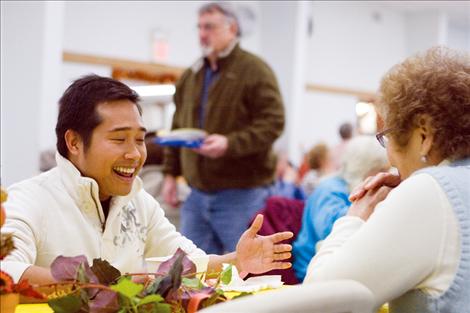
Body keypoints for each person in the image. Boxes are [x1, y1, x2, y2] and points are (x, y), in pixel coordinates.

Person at [1, 75, 293, 286]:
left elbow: (186, 263)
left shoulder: (139, 202)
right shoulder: (27, 200)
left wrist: (237, 260)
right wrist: (98, 287)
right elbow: (6, 270)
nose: (134, 154)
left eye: (140, 140)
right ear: (74, 142)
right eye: (119, 139)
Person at [304, 47, 470, 312]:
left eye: (387, 137)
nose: (389, 158)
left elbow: (319, 301)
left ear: (423, 135)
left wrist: (354, 218)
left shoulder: (430, 191)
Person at [162, 2, 285, 254]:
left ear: (232, 28)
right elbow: (177, 129)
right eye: (199, 27)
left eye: (210, 27)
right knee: (193, 272)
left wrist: (230, 144)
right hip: (196, 195)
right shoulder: (191, 75)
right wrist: (169, 175)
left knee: (244, 272)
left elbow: (273, 122)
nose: (202, 34)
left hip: (241, 194)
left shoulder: (255, 71)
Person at [292, 135, 389, 281]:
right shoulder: (329, 190)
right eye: (380, 170)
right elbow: (333, 233)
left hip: (335, 268)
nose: (383, 176)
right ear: (364, 167)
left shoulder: (344, 186)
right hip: (310, 272)